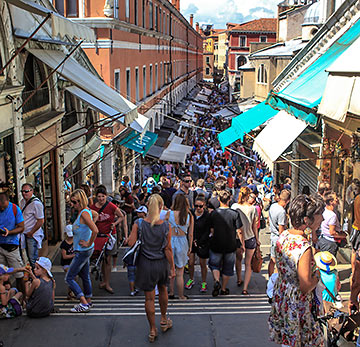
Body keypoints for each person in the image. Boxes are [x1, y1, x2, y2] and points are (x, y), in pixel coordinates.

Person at [268, 194, 325, 347]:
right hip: (297, 303)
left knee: (288, 341)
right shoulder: (303, 246)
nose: (323, 220)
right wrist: (317, 276)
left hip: (283, 295)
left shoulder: (284, 235)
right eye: (320, 215)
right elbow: (305, 285)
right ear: (307, 220)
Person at [127, 194, 175, 343]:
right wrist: (172, 267)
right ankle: (163, 318)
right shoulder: (166, 226)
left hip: (145, 264)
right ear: (161, 207)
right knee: (163, 290)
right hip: (161, 263)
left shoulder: (139, 223)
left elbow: (130, 243)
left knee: (149, 298)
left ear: (148, 206)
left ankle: (152, 329)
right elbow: (168, 249)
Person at [65, 189, 98, 313]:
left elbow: (95, 230)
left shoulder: (84, 213)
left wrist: (88, 241)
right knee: (85, 275)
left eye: (74, 202)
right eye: (71, 203)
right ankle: (88, 300)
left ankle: (83, 303)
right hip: (84, 249)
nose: (72, 205)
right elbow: (96, 216)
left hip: (83, 250)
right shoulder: (86, 212)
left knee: (69, 278)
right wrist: (86, 232)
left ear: (80, 201)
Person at [209, 190, 243, 297]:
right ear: (229, 200)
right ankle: (223, 288)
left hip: (216, 243)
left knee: (214, 265)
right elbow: (239, 230)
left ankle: (216, 280)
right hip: (230, 244)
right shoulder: (234, 214)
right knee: (228, 267)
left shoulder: (214, 214)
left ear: (219, 200)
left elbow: (211, 229)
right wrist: (242, 244)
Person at [91, 187, 125, 294]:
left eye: (103, 196)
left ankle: (107, 282)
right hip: (98, 236)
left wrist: (114, 224)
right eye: (99, 196)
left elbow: (121, 216)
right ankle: (103, 280)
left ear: (106, 196)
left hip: (109, 235)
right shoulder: (92, 208)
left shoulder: (111, 206)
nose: (101, 199)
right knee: (100, 259)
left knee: (108, 259)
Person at [231, 187, 260, 295]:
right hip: (250, 238)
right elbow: (254, 226)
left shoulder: (234, 207)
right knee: (248, 264)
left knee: (238, 259)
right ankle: (245, 288)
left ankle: (239, 278)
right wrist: (257, 240)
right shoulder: (253, 209)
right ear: (248, 196)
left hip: (238, 238)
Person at [167, 194, 194, 300]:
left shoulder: (169, 214)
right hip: (182, 241)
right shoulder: (188, 215)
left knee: (171, 269)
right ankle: (181, 295)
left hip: (171, 241)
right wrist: (190, 246)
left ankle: (171, 292)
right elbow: (190, 234)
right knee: (180, 271)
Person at [0, 184, 25, 294]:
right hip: (0, 247)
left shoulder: (15, 209)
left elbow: (21, 227)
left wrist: (9, 232)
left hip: (12, 247)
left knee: (19, 275)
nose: (1, 208)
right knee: (3, 276)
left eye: (3, 206)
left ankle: (23, 297)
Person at [186, 195, 210, 293]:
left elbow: (207, 230)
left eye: (200, 206)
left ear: (204, 206)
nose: (198, 208)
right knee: (190, 263)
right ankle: (191, 279)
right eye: (196, 206)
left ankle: (204, 281)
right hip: (191, 241)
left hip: (202, 242)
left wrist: (199, 241)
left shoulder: (207, 215)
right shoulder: (191, 213)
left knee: (202, 264)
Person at [19, 183, 44, 268]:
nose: (24, 193)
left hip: (32, 234)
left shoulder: (36, 204)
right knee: (28, 257)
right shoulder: (22, 201)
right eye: (22, 191)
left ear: (32, 191)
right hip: (24, 233)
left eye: (26, 191)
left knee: (33, 258)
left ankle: (36, 276)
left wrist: (31, 232)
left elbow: (40, 221)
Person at [268, 189, 291, 276]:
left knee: (272, 260)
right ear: (287, 200)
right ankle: (275, 280)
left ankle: (270, 278)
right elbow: (281, 230)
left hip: (273, 236)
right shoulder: (282, 212)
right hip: (278, 239)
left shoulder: (273, 206)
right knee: (279, 262)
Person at [318, 192, 347, 257]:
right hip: (329, 243)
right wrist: (343, 236)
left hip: (324, 239)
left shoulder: (324, 210)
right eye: (335, 198)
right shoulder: (332, 215)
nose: (337, 200)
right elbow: (332, 232)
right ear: (331, 202)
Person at [60, 225, 75, 300]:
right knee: (71, 276)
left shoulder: (76, 241)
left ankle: (70, 292)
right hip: (66, 264)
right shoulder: (64, 244)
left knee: (74, 278)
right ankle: (71, 293)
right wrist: (74, 255)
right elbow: (64, 256)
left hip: (74, 263)